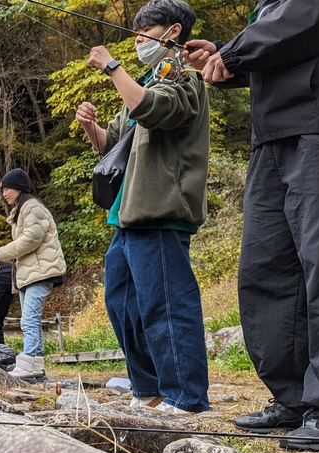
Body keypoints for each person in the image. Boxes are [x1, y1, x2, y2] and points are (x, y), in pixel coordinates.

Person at [184, 0, 319, 450]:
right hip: (277, 131)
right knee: (267, 271)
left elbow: (317, 14)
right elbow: (288, 39)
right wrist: (226, 57)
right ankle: (297, 397)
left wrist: (237, 52)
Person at [77, 0, 210, 415]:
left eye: (144, 33)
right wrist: (89, 127)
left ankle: (186, 398)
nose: (136, 41)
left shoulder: (185, 77)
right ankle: (149, 389)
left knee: (166, 305)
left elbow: (155, 110)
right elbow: (114, 141)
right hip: (127, 213)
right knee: (123, 306)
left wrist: (113, 68)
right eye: (134, 34)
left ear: (172, 32)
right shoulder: (149, 79)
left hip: (162, 209)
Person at [0, 168, 66, 381]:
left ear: (19, 188)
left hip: (41, 273)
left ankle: (29, 359)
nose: (4, 194)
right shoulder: (22, 210)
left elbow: (32, 239)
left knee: (29, 320)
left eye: (7, 189)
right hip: (31, 274)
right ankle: (35, 366)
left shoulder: (32, 208)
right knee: (29, 320)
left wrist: (1, 253)